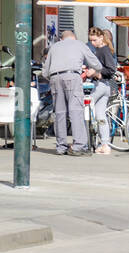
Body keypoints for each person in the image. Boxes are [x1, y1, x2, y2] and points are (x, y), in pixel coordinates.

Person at [42, 29, 101, 156]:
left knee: (59, 112)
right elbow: (97, 64)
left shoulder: (54, 47)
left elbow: (45, 72)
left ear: (61, 39)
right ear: (74, 37)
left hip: (55, 77)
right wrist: (89, 70)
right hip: (72, 77)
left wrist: (54, 78)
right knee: (75, 111)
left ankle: (61, 147)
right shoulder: (80, 44)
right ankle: (78, 146)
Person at [85, 27, 118, 155]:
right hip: (106, 87)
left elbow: (111, 69)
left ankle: (84, 141)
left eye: (94, 40)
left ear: (101, 38)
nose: (92, 43)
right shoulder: (104, 49)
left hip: (100, 84)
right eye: (90, 40)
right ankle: (105, 144)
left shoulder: (103, 50)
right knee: (100, 116)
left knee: (84, 108)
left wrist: (97, 73)